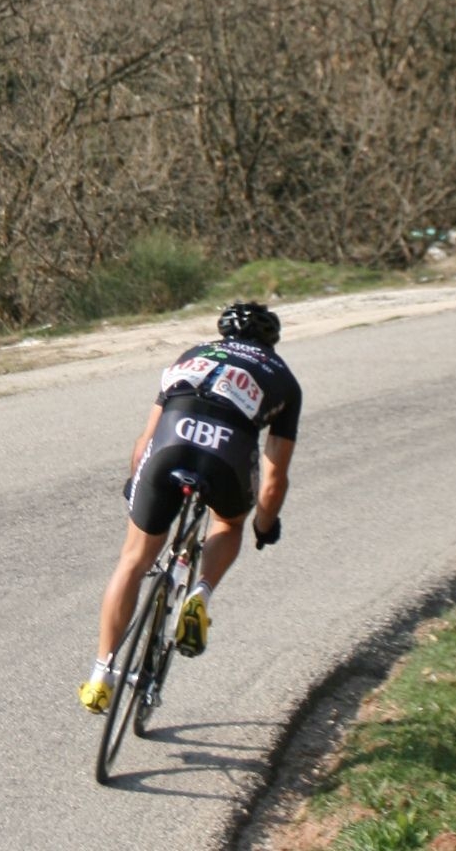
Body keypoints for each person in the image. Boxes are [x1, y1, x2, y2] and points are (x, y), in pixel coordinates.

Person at [78, 300, 302, 714]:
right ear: (270, 341)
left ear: (223, 333)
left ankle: (100, 676)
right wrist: (264, 525)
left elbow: (145, 440)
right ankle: (200, 593)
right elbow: (274, 479)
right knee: (228, 523)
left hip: (169, 445)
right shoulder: (282, 377)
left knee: (133, 560)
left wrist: (135, 485)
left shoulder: (191, 355)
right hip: (226, 456)